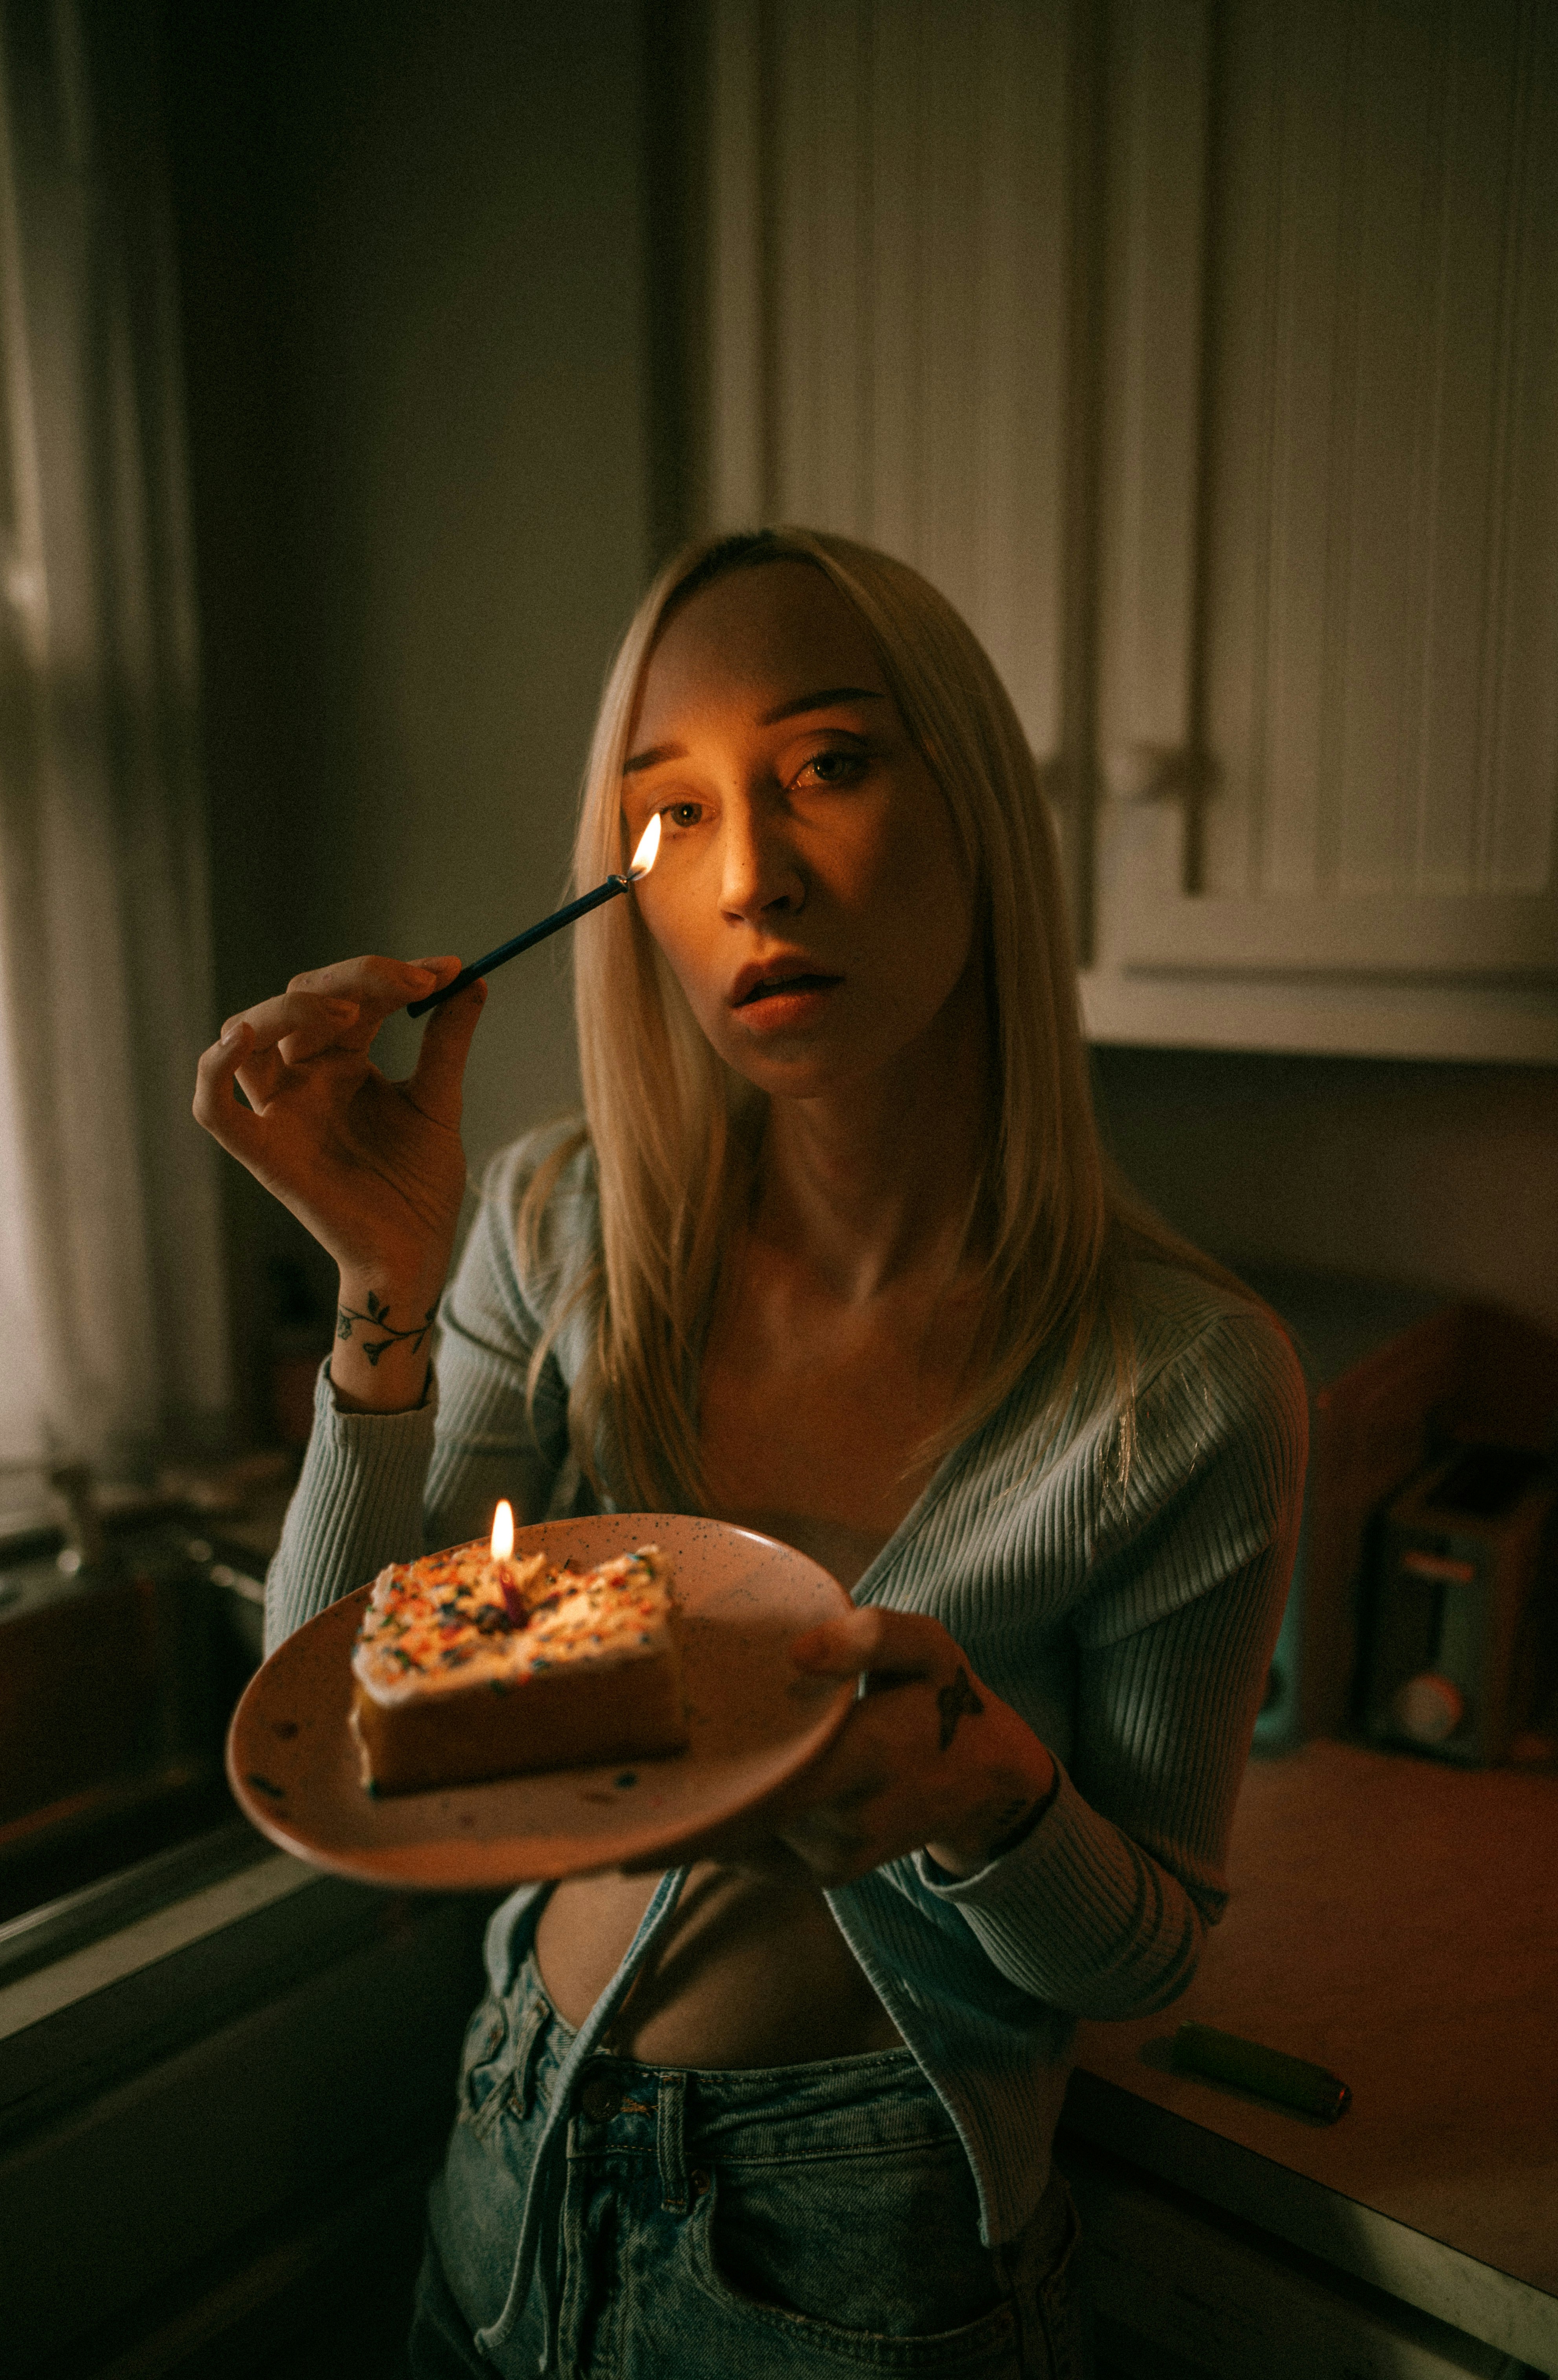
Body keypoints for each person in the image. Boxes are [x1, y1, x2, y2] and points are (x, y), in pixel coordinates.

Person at [195, 527, 1307, 2379]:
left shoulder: (1181, 1383)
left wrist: (990, 1795)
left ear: (977, 815)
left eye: (829, 765)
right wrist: (382, 1282)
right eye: (674, 815)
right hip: (507, 2158)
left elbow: (1147, 1958)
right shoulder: (554, 1231)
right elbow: (327, 1707)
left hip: (863, 2251)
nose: (751, 877)